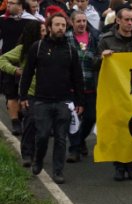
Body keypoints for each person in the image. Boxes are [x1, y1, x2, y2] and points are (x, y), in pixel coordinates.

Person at [19, 12, 84, 184]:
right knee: (42, 136)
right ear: (49, 27)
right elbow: (27, 73)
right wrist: (23, 95)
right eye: (57, 25)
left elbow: (77, 78)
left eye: (63, 25)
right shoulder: (38, 47)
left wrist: (79, 101)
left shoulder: (71, 50)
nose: (61, 28)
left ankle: (58, 171)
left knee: (61, 138)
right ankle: (38, 160)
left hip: (64, 101)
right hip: (41, 100)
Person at [97, 5, 132, 181]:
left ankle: (131, 164)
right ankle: (119, 166)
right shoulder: (106, 39)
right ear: (118, 20)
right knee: (118, 129)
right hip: (114, 92)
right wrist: (102, 57)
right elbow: (94, 64)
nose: (130, 23)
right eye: (126, 19)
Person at [0, 20, 44, 167]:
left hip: (47, 92)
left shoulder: (49, 46)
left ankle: (38, 154)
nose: (45, 33)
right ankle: (27, 154)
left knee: (43, 126)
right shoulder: (22, 49)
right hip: (29, 92)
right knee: (31, 122)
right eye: (42, 31)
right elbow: (2, 59)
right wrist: (16, 70)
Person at [0, 0, 39, 136]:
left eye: (12, 3)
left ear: (21, 5)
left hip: (26, 61)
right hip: (9, 59)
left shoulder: (33, 21)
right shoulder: (2, 21)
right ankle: (15, 122)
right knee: (10, 93)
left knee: (27, 93)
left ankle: (25, 116)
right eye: (8, 2)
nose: (8, 5)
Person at [65, 10, 99, 162]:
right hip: (72, 87)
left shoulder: (94, 38)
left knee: (91, 117)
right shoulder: (66, 39)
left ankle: (79, 140)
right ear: (72, 23)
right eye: (78, 21)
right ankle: (74, 150)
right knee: (73, 119)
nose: (82, 24)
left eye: (84, 21)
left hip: (91, 85)